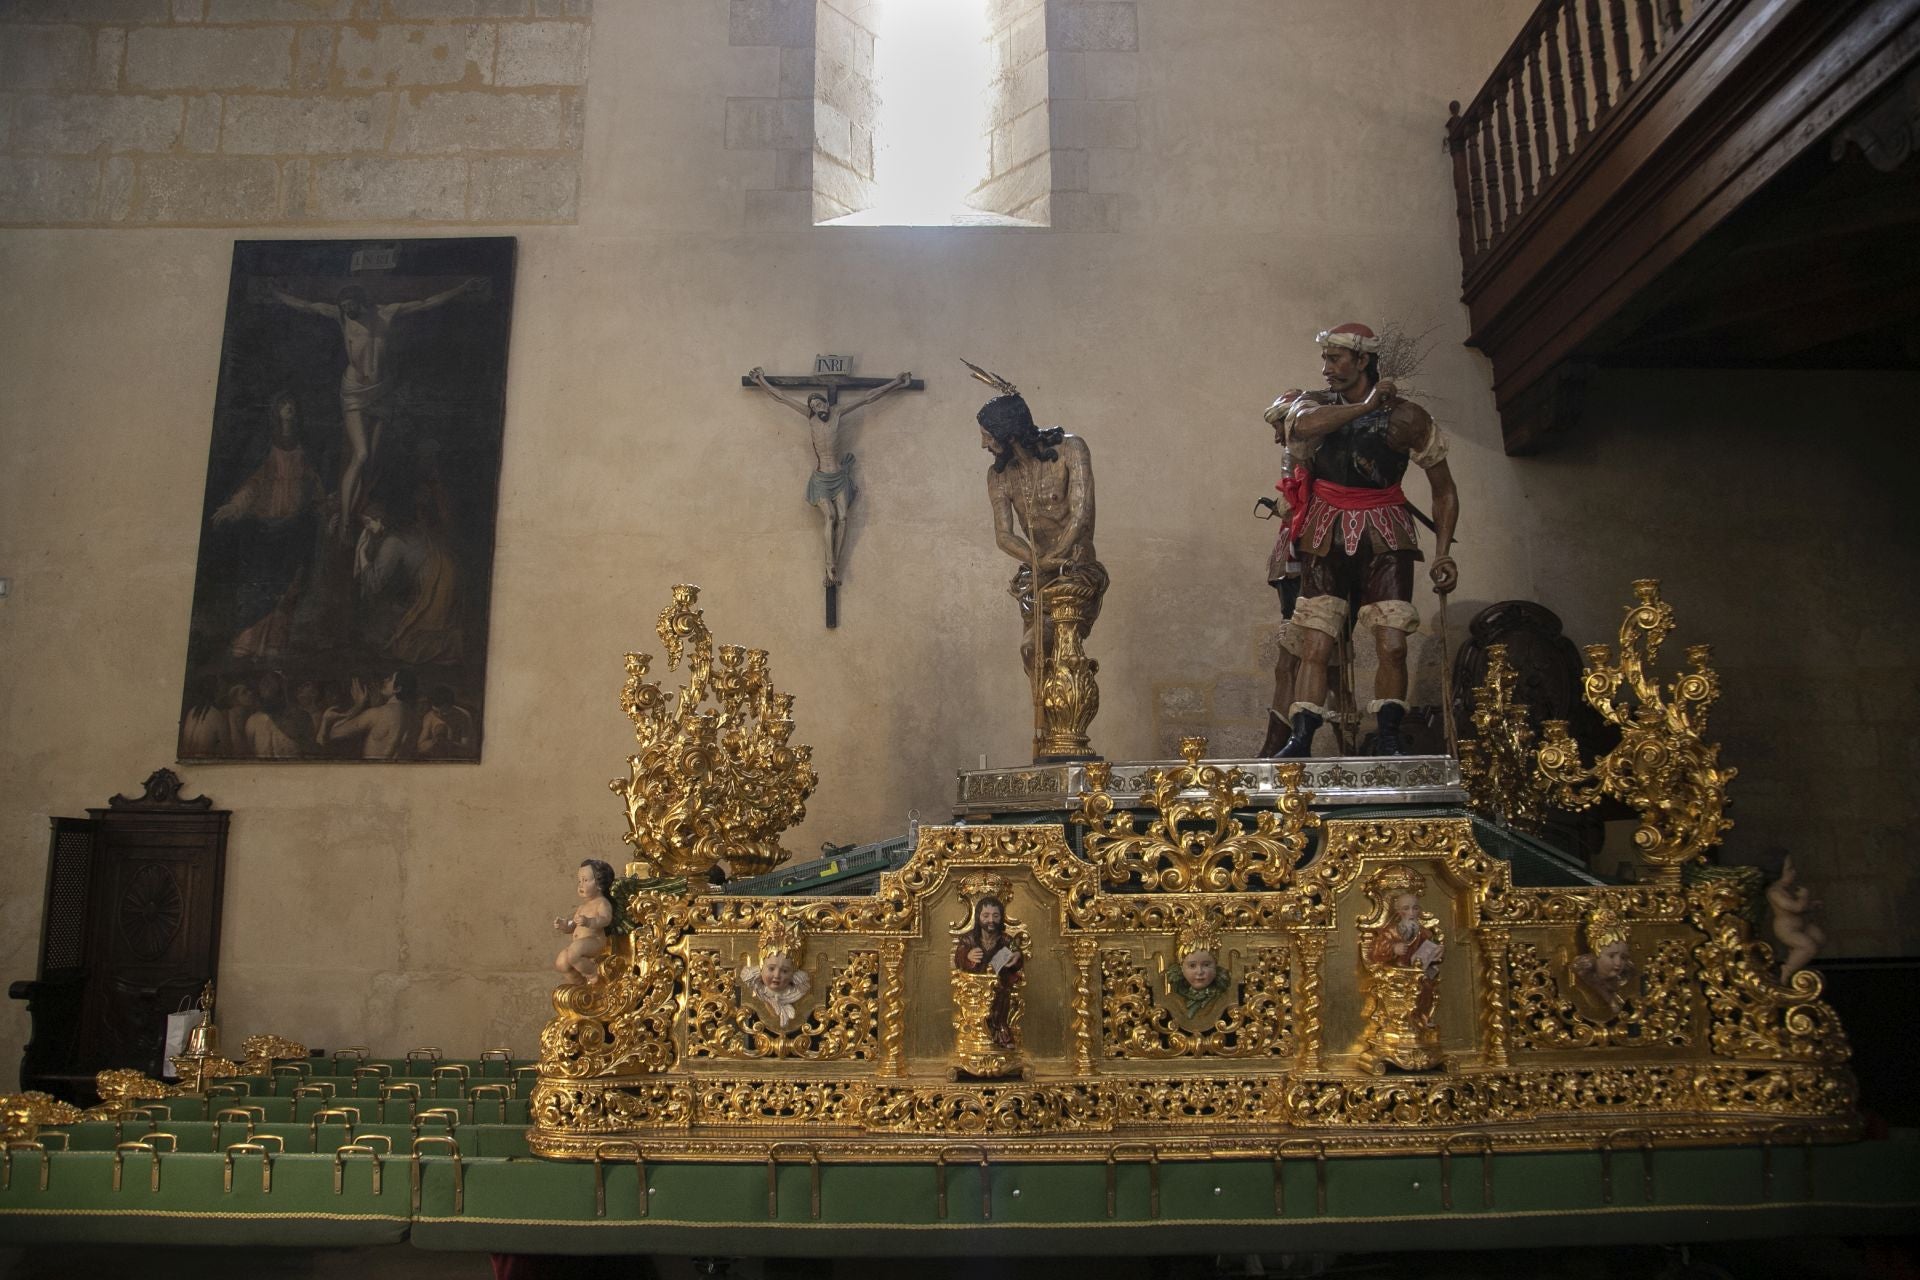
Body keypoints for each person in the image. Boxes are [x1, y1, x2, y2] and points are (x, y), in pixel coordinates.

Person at [1269, 323, 1459, 757]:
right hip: (1325, 531)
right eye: (1325, 359)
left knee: (1391, 641)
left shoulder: (1407, 417)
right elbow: (1302, 426)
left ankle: (1389, 737)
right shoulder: (1315, 404)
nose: (1327, 368)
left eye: (1336, 359)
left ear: (1363, 361)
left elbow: (1444, 489)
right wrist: (1367, 406)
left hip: (1385, 529)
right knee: (1316, 640)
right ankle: (1302, 738)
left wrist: (1444, 553)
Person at [269, 277, 484, 536]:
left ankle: (355, 510)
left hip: (382, 392)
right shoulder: (341, 317)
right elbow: (308, 306)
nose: (348, 310)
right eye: (344, 306)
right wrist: (276, 294)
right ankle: (347, 521)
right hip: (355, 392)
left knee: (371, 460)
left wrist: (460, 288)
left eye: (352, 306)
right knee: (361, 455)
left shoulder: (385, 313)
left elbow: (426, 303)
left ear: (363, 302)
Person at [977, 389, 1107, 679]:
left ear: (1009, 433)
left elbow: (1081, 513)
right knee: (1031, 652)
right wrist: (1039, 560)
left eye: (988, 435)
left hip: (1076, 569)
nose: (983, 443)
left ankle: (1068, 719)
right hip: (1038, 575)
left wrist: (1057, 558)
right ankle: (1050, 722)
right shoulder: (999, 475)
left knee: (1065, 657)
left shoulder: (1071, 449)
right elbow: (1004, 535)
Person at [746, 368, 914, 585]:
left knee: (843, 518)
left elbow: (867, 398)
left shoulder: (837, 412)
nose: (819, 407)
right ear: (811, 409)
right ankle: (829, 565)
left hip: (839, 478)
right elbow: (781, 397)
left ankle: (835, 565)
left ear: (826, 403)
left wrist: (896, 382)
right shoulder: (809, 417)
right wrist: (760, 381)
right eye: (814, 406)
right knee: (831, 517)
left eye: (821, 403)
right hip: (821, 480)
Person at [212, 392, 327, 660]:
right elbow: (253, 483)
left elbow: (314, 485)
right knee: (260, 586)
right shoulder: (264, 445)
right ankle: (248, 640)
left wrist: (324, 507)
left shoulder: (305, 447)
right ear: (276, 411)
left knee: (288, 587)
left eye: (292, 405)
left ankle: (276, 640)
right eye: (284, 405)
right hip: (264, 529)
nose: (289, 409)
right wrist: (235, 506)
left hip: (295, 527)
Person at [951, 895, 1024, 1049]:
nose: (991, 920)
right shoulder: (969, 939)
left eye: (995, 915)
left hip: (999, 987)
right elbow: (959, 958)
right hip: (975, 988)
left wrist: (1017, 956)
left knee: (1002, 997)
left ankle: (1000, 1030)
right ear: (979, 917)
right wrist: (967, 956)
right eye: (986, 915)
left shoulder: (1005, 940)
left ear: (1001, 918)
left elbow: (1015, 952)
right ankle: (977, 1032)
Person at [1365, 889, 1444, 1028]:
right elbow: (1376, 953)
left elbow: (1429, 954)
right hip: (1395, 972)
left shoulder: (1423, 933)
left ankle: (1419, 1018)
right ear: (1399, 911)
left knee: (1426, 986)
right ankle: (1395, 1020)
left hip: (1416, 972)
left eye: (1415, 908)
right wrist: (1393, 949)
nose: (1412, 913)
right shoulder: (1390, 932)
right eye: (1406, 908)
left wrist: (1436, 954)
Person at [319, 669, 421, 760]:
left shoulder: (378, 714)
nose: (385, 680)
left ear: (397, 688)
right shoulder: (416, 720)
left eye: (390, 679)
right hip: (396, 777)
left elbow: (334, 733)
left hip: (371, 775)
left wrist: (358, 705)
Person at [554, 859, 616, 985]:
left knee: (574, 952)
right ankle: (579, 984)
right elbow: (574, 925)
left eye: (585, 880)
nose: (580, 885)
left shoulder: (602, 903)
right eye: (579, 881)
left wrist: (589, 921)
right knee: (561, 962)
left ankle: (594, 974)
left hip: (595, 942)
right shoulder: (582, 908)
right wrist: (565, 925)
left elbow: (606, 919)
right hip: (578, 945)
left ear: (599, 884)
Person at [1767, 856, 1826, 981]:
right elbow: (1796, 908)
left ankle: (1796, 959)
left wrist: (1811, 906)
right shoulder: (1775, 893)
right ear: (1777, 873)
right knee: (1808, 947)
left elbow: (1800, 908)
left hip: (1800, 925)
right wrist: (1804, 897)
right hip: (1787, 930)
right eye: (1789, 869)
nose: (1794, 872)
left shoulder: (1785, 890)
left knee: (1818, 937)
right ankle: (1787, 970)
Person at [1570, 909, 1637, 1015]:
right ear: (1595, 955)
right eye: (1611, 956)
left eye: (1623, 957)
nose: (1618, 963)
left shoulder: (1622, 980)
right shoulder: (1584, 976)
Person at [739, 935, 813, 1029]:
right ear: (761, 967)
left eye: (785, 971)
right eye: (771, 968)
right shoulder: (759, 988)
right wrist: (759, 971)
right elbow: (747, 977)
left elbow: (803, 986)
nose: (777, 975)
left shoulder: (796, 991)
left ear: (794, 973)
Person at [1168, 935, 1232, 1019]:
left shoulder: (1224, 999)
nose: (1200, 972)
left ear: (1215, 966)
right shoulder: (1173, 999)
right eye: (1192, 965)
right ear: (1181, 968)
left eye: (1206, 965)